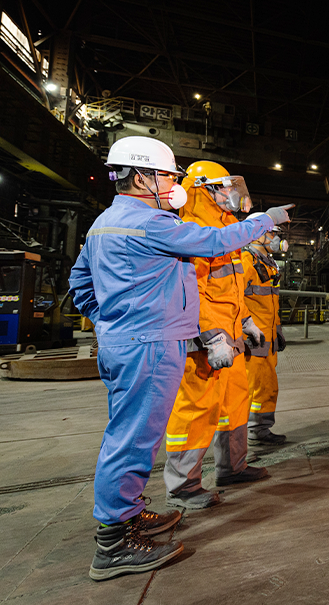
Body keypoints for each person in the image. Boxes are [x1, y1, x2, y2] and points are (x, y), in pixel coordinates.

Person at [68, 136, 293, 581]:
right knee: (132, 442)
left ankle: (128, 518)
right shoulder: (151, 223)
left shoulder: (103, 224)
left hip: (129, 341)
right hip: (149, 345)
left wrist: (113, 321)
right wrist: (263, 219)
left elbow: (80, 285)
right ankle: (114, 545)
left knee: (129, 436)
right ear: (139, 177)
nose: (173, 183)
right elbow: (216, 242)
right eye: (167, 175)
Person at [163, 161, 280, 509]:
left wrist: (246, 322)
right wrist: (210, 336)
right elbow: (189, 293)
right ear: (203, 189)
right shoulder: (191, 231)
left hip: (230, 341)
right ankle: (183, 486)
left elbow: (230, 290)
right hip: (203, 344)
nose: (231, 194)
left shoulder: (226, 231)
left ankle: (232, 467)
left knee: (233, 406)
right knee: (195, 410)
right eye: (223, 187)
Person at [240, 216, 288, 445]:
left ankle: (261, 430)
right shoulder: (246, 259)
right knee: (253, 387)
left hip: (267, 337)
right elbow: (235, 298)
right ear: (257, 234)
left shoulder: (268, 263)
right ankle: (247, 434)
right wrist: (246, 328)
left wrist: (277, 330)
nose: (274, 238)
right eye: (270, 233)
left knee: (268, 385)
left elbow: (272, 302)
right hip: (254, 337)